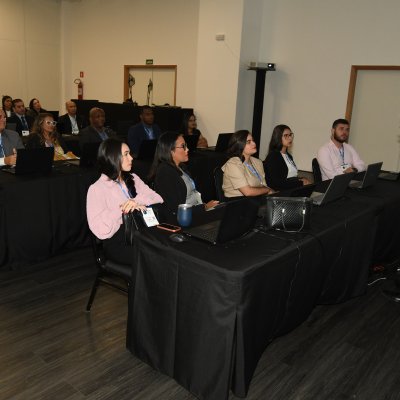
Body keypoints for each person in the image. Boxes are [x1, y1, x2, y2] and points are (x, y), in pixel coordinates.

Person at [86, 137, 163, 264]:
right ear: (112, 158)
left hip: (143, 233)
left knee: (169, 252)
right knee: (154, 258)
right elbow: (100, 231)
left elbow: (158, 199)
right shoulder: (96, 189)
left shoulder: (133, 178)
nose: (131, 158)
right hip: (119, 242)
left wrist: (136, 201)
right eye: (126, 154)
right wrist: (122, 209)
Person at [148, 131, 218, 223]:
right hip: (184, 221)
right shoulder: (165, 173)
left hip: (195, 213)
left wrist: (204, 206)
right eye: (183, 146)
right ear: (171, 151)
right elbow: (175, 210)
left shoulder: (181, 167)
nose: (187, 149)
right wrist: (205, 207)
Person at [221, 130, 274, 198]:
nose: (254, 143)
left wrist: (274, 193)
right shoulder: (233, 164)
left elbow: (263, 185)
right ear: (239, 145)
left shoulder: (258, 162)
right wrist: (267, 190)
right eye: (248, 142)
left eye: (253, 140)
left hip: (257, 200)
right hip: (237, 203)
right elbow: (248, 192)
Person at [264, 124, 311, 190]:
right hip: (281, 194)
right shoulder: (273, 156)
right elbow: (275, 184)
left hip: (292, 190)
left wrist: (301, 179)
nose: (290, 138)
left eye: (290, 135)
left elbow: (291, 177)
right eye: (286, 136)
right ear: (278, 137)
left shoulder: (289, 156)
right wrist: (300, 183)